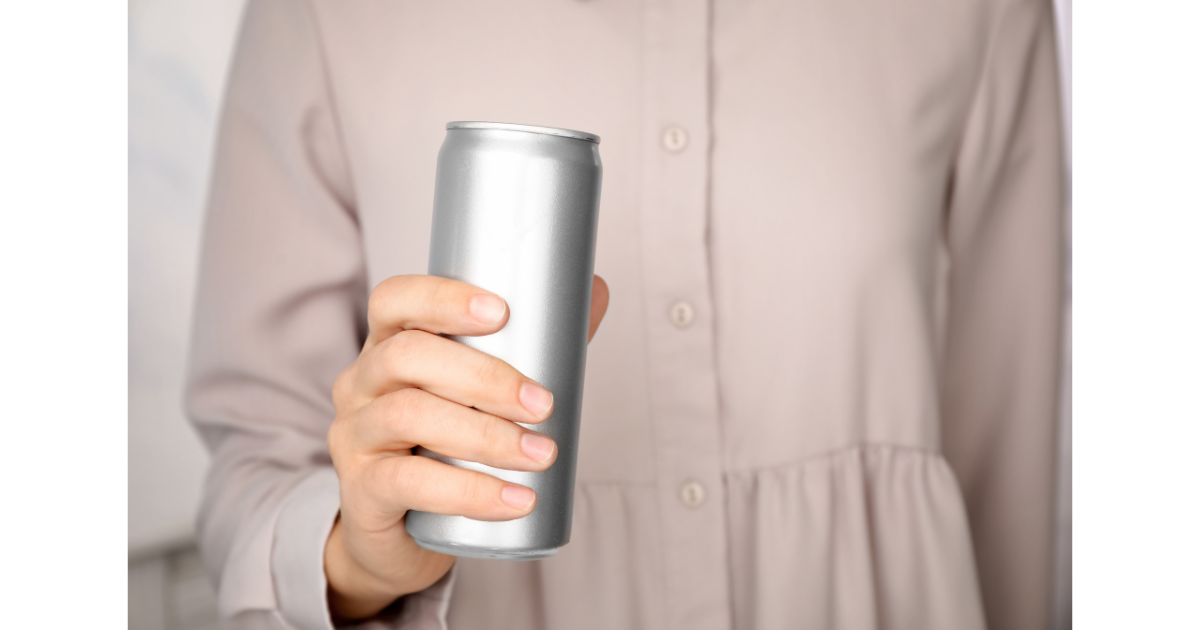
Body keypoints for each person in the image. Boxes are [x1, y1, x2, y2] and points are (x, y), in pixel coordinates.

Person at [185, 0, 1065, 628]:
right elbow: (255, 466)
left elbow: (1011, 445)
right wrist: (356, 559)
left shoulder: (979, 12)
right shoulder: (323, 15)